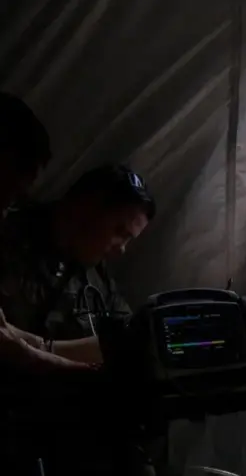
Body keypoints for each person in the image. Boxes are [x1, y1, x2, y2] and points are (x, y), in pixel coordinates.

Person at [0, 164, 157, 476]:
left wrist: (43, 347)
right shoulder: (10, 240)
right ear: (85, 209)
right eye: (119, 232)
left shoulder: (95, 274)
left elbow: (127, 339)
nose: (121, 249)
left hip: (70, 426)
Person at [0, 92, 94, 374]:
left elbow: (12, 337)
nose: (6, 208)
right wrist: (87, 375)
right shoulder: (18, 245)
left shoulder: (93, 277)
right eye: (7, 190)